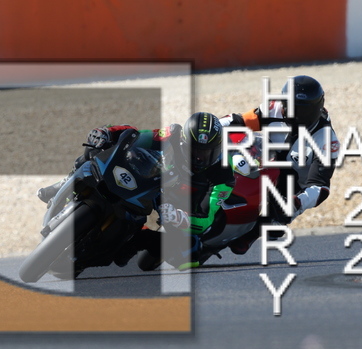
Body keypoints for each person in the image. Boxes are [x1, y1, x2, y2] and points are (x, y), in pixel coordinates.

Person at [37, 112, 235, 268]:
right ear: (184, 141)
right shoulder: (173, 134)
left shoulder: (224, 174)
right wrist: (108, 133)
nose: (199, 158)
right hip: (153, 181)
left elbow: (206, 218)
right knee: (98, 147)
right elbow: (139, 136)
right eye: (195, 150)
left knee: (188, 252)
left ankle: (132, 244)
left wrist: (179, 217)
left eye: (207, 152)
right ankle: (65, 182)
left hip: (177, 206)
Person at [220, 75, 340, 254]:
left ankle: (255, 230)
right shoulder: (274, 108)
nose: (289, 112)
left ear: (314, 109)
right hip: (263, 160)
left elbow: (320, 187)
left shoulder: (327, 140)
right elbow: (240, 120)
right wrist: (215, 126)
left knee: (270, 227)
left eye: (298, 109)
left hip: (292, 185)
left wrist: (297, 202)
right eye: (287, 105)